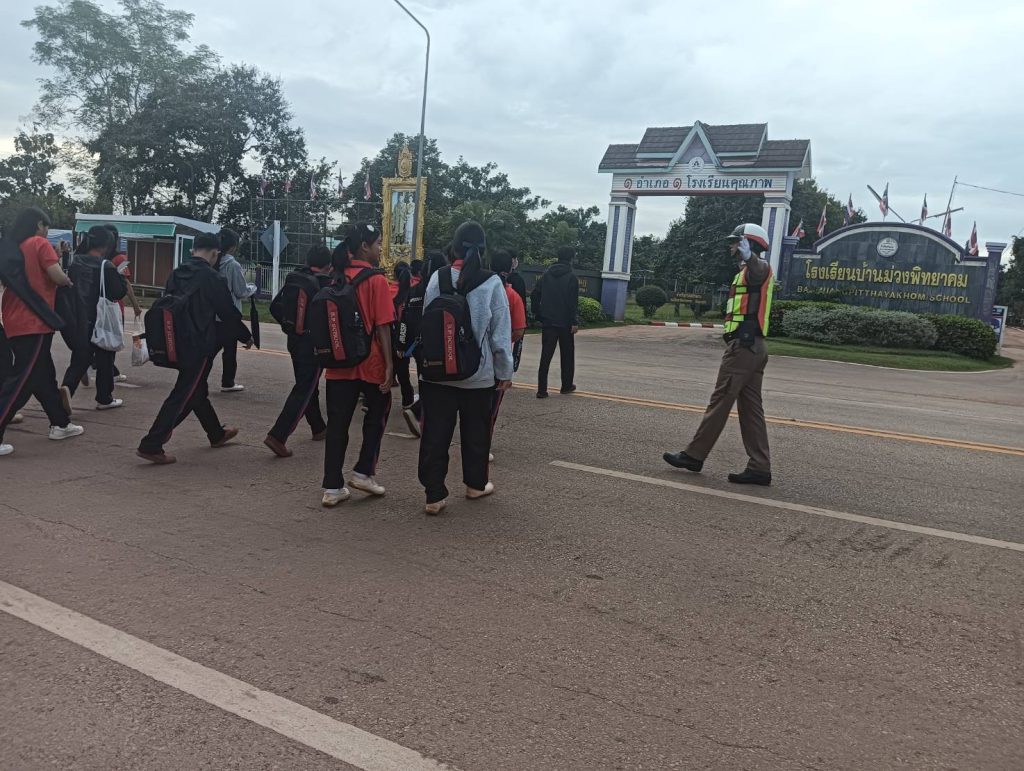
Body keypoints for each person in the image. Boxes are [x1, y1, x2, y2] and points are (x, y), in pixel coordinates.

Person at [663, 223, 774, 486]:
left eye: (736, 242)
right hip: (754, 348)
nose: (731, 246)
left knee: (720, 400)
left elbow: (760, 269)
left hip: (743, 348)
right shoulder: (745, 272)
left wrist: (750, 257)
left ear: (749, 244)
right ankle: (759, 467)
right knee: (751, 410)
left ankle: (694, 455)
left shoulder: (758, 268)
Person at [417, 221, 513, 515]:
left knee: (435, 434)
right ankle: (475, 485)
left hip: (436, 373)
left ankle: (434, 495)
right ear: (482, 250)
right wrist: (504, 372)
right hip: (477, 376)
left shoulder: (438, 277)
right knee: (476, 433)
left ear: (454, 248)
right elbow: (500, 334)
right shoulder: (492, 282)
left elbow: (427, 320)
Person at [136, 232, 250, 465]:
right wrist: (245, 336)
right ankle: (152, 443)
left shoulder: (177, 272)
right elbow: (227, 312)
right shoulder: (212, 277)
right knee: (184, 393)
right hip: (197, 344)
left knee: (197, 390)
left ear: (193, 250)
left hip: (173, 340)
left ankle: (216, 433)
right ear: (215, 253)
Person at [320, 224, 395, 507]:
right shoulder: (376, 280)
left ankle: (332, 487)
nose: (380, 248)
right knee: (377, 415)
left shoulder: (335, 277)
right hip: (370, 362)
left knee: (337, 425)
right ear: (364, 246)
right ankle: (363, 472)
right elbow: (383, 326)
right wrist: (389, 365)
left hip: (338, 363)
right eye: (377, 243)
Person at [0, 207, 82, 457]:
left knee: (43, 376)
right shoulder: (39, 243)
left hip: (15, 319)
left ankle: (60, 423)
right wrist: (67, 279)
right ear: (38, 225)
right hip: (34, 321)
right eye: (46, 226)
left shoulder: (17, 247)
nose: (47, 231)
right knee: (22, 380)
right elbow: (56, 277)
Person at [263, 245, 333, 457]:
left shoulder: (295, 278)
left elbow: (274, 306)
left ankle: (318, 428)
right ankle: (278, 435)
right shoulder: (324, 284)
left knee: (308, 385)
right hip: (312, 344)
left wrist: (290, 327)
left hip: (295, 341)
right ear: (328, 265)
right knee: (304, 388)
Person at [60, 226, 128, 411]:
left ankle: (67, 388)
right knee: (105, 357)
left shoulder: (75, 262)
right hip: (100, 318)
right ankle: (104, 398)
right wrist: (120, 275)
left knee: (81, 357)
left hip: (78, 317)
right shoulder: (106, 266)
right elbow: (118, 292)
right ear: (107, 245)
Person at [488, 249, 527, 462]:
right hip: (498, 361)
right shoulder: (512, 296)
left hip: (476, 359)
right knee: (491, 408)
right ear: (510, 268)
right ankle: (482, 446)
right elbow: (519, 330)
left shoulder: (479, 288)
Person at [532, 245, 579, 398]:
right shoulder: (572, 277)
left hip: (548, 322)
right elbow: (572, 302)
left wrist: (539, 314)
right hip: (565, 323)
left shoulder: (546, 275)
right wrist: (574, 321)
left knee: (545, 356)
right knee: (567, 355)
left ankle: (542, 390)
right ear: (571, 258)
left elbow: (535, 294)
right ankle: (566, 385)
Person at [215, 228, 254, 392]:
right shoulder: (232, 265)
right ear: (233, 246)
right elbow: (240, 291)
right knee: (229, 350)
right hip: (229, 313)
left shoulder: (213, 263)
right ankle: (228, 382)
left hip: (213, 313)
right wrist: (252, 288)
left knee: (211, 348)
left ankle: (197, 377)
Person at [103, 224, 142, 384]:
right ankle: (109, 372)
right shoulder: (120, 259)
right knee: (113, 341)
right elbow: (126, 283)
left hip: (97, 304)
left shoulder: (96, 256)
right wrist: (135, 305)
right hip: (114, 306)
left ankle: (102, 366)